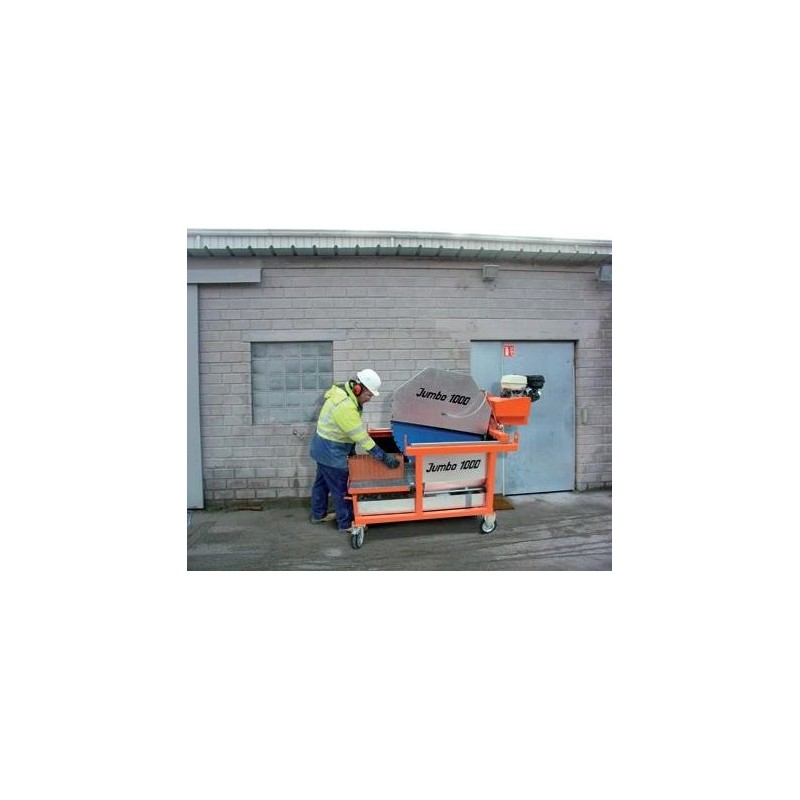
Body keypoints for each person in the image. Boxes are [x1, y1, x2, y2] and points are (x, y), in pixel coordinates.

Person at [309, 368, 399, 533]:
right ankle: (345, 524)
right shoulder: (345, 406)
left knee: (321, 483)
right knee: (341, 489)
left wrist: (350, 450)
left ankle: (318, 514)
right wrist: (383, 457)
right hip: (332, 452)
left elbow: (344, 430)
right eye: (369, 395)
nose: (369, 399)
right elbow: (361, 437)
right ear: (358, 389)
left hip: (322, 447)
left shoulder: (343, 394)